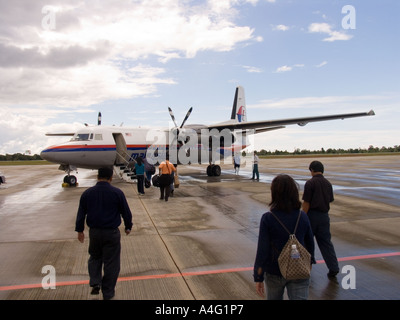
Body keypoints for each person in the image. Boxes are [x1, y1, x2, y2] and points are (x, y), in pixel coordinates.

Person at [254, 174, 315, 300]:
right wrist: (309, 263)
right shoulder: (302, 216)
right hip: (299, 269)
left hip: (274, 270)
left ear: (274, 194)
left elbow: (262, 250)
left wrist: (258, 276)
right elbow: (310, 243)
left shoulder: (268, 218)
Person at [75, 167, 133, 300]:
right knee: (111, 263)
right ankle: (108, 292)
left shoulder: (87, 193)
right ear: (111, 178)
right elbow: (126, 212)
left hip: (94, 233)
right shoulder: (117, 193)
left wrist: (80, 230)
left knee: (94, 257)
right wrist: (128, 226)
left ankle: (95, 281)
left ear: (97, 177)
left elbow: (81, 214)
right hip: (111, 233)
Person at [302, 160, 339, 279]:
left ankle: (307, 268)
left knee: (307, 243)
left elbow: (306, 203)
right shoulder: (328, 183)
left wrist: (303, 217)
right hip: (324, 216)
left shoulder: (310, 183)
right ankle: (333, 267)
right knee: (326, 243)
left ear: (311, 170)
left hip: (311, 216)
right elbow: (330, 200)